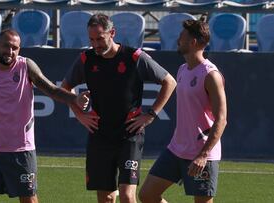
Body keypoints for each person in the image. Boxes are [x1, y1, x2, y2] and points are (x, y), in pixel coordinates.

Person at [0, 29, 85, 203]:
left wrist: (75, 98)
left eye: (15, 48)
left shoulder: (26, 66)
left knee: (29, 200)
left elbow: (52, 90)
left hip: (22, 149)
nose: (10, 52)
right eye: (6, 46)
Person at [61, 13, 177, 203]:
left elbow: (169, 82)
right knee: (106, 197)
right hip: (99, 135)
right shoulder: (86, 59)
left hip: (129, 135)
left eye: (100, 38)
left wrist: (151, 114)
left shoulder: (134, 57)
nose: (95, 44)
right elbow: (64, 88)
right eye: (91, 39)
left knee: (126, 195)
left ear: (112, 33)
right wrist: (79, 112)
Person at [138, 19, 227, 203]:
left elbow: (221, 119)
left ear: (193, 42)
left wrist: (203, 155)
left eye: (182, 37)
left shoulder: (211, 75)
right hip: (176, 149)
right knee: (147, 195)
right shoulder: (182, 69)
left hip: (202, 153)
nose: (178, 40)